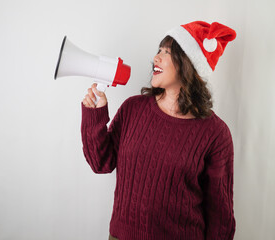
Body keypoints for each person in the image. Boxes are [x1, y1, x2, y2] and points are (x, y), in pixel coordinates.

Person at [81, 20, 237, 240]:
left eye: (167, 52)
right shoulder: (133, 108)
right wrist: (94, 115)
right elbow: (101, 163)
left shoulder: (216, 134)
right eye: (158, 50)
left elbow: (220, 216)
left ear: (189, 64)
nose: (156, 57)